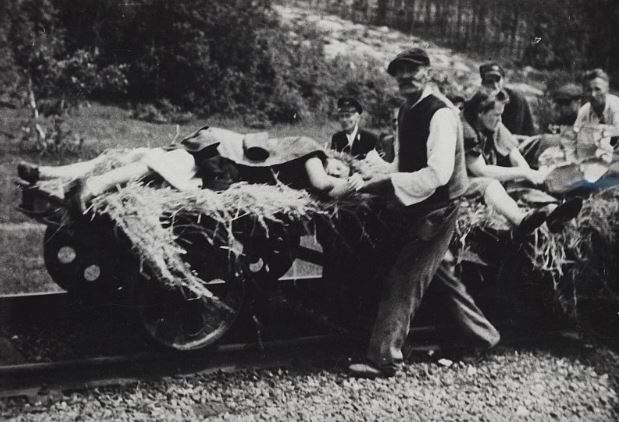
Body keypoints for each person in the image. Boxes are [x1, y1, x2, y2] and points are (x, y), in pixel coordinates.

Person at [347, 47, 500, 379]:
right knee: (440, 279)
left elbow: (438, 176)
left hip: (439, 209)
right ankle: (484, 336)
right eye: (399, 72)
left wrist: (385, 183)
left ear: (428, 73)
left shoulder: (442, 114)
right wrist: (373, 174)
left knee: (403, 279)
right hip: (417, 204)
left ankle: (384, 359)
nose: (405, 77)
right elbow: (402, 164)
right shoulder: (405, 111)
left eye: (412, 70)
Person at [17, 126, 365, 212]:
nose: (332, 172)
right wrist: (353, 182)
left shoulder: (293, 149)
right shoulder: (313, 153)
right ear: (335, 158)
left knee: (134, 157)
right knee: (147, 163)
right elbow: (324, 186)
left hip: (210, 151)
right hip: (215, 157)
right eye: (338, 167)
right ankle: (88, 188)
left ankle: (47, 175)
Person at [462, 91, 582, 237]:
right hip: (462, 183)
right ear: (480, 112)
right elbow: (481, 170)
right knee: (491, 184)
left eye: (501, 115)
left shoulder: (492, 123)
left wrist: (530, 175)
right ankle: (520, 221)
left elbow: (513, 153)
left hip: (483, 181)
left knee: (523, 184)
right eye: (496, 115)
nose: (499, 120)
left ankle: (552, 213)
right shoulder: (466, 128)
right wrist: (524, 173)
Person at [476, 62, 536, 137]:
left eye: (497, 80)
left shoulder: (514, 99)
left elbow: (512, 135)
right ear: (483, 83)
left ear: (503, 80)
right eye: (490, 82)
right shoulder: (481, 98)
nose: (495, 85)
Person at [574, 68, 619, 148]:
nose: (593, 95)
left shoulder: (616, 106)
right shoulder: (584, 110)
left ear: (607, 90)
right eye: (589, 90)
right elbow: (575, 133)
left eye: (597, 89)